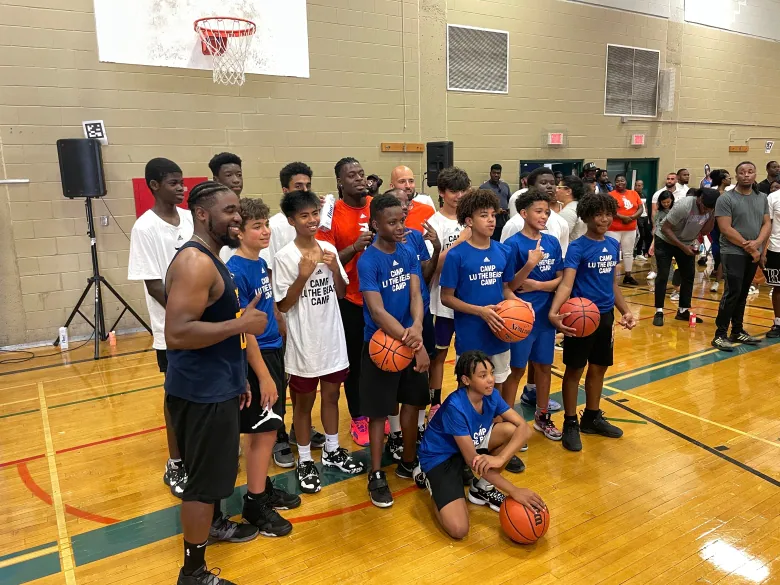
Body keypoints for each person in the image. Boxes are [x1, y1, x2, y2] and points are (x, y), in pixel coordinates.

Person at [165, 181, 265, 585]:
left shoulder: (211, 257)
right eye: (228, 210)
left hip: (217, 384)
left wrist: (237, 374)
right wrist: (241, 324)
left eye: (237, 209)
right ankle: (192, 573)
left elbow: (211, 327)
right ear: (203, 214)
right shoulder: (195, 263)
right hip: (201, 392)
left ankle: (216, 527)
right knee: (202, 488)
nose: (236, 217)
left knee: (213, 478)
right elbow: (178, 332)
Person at [273, 189, 365, 493]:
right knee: (303, 403)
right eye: (304, 216)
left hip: (332, 339)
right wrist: (302, 276)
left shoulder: (328, 248)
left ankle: (331, 449)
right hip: (304, 344)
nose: (312, 220)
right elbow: (283, 306)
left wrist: (332, 267)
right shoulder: (284, 257)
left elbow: (340, 291)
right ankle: (303, 458)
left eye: (314, 213)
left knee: (331, 396)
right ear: (292, 220)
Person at [225, 198, 300, 535]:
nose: (266, 231)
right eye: (257, 226)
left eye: (266, 224)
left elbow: (268, 313)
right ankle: (254, 504)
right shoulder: (236, 269)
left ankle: (261, 486)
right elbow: (245, 331)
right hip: (255, 358)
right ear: (238, 231)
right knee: (264, 431)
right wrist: (263, 375)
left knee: (265, 431)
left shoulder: (258, 262)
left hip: (272, 351)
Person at [417, 351, 545, 539]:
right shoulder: (456, 406)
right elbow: (474, 461)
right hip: (440, 457)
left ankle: (481, 489)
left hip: (469, 447)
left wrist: (500, 458)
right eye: (483, 376)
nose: (491, 380)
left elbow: (525, 429)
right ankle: (433, 484)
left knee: (510, 430)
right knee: (459, 530)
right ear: (466, 380)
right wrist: (514, 491)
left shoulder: (491, 395)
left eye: (491, 373)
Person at [548, 192, 637, 452]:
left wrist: (626, 310)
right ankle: (570, 421)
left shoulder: (612, 244)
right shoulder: (576, 247)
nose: (605, 219)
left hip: (605, 316)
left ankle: (591, 416)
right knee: (574, 371)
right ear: (586, 216)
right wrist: (555, 312)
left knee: (599, 368)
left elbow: (612, 283)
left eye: (609, 213)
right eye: (599, 214)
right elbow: (567, 283)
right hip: (580, 317)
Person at [358, 194, 430, 507]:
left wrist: (417, 329)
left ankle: (408, 461)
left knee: (414, 403)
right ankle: (376, 473)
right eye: (392, 222)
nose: (399, 226)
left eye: (401, 220)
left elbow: (416, 293)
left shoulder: (408, 249)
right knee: (378, 414)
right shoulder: (368, 260)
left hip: (409, 338)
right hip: (381, 346)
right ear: (375, 224)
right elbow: (376, 311)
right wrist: (411, 341)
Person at [128, 157, 194, 497]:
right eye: (173, 183)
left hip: (200, 326)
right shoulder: (145, 228)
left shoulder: (189, 218)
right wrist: (192, 313)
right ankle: (176, 463)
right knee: (176, 399)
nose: (181, 188)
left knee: (201, 395)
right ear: (154, 185)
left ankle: (198, 453)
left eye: (182, 182)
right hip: (172, 332)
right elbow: (155, 286)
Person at [260, 162, 318, 468]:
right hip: (283, 310)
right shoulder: (276, 225)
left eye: (308, 185)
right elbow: (270, 274)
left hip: (309, 313)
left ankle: (299, 429)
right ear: (285, 190)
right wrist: (276, 315)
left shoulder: (313, 223)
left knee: (304, 377)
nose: (305, 191)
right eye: (299, 186)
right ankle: (280, 435)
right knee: (282, 378)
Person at [316, 157, 374, 446]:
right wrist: (354, 247)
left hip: (380, 297)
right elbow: (325, 261)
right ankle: (358, 417)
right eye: (352, 175)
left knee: (382, 359)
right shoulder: (331, 214)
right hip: (349, 299)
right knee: (355, 363)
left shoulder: (377, 205)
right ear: (340, 182)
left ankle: (381, 413)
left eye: (361, 173)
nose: (359, 179)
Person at [382, 187, 441, 459]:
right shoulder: (380, 245)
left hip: (421, 315)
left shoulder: (416, 237)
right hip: (395, 322)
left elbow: (425, 277)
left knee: (420, 373)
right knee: (394, 377)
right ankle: (395, 432)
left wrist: (437, 248)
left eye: (407, 204)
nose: (405, 208)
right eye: (398, 204)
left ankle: (415, 430)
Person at [503, 190, 563, 443]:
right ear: (524, 213)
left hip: (545, 318)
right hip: (520, 317)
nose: (544, 215)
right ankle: (508, 424)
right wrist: (529, 265)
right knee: (515, 370)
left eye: (547, 211)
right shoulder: (513, 245)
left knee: (543, 368)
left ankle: (542, 416)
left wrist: (538, 286)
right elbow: (510, 286)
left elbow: (561, 280)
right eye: (538, 211)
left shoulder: (552, 242)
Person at [440, 190, 514, 391]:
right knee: (468, 389)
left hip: (500, 331)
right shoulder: (456, 256)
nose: (491, 220)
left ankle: (492, 423)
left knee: (495, 386)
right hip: (471, 334)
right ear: (469, 221)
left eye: (492, 215)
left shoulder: (505, 251)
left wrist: (519, 304)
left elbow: (506, 289)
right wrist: (480, 311)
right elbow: (446, 298)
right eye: (484, 215)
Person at [711, 162, 771, 351]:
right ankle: (720, 335)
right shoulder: (726, 199)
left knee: (744, 292)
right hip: (732, 252)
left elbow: (766, 223)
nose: (746, 175)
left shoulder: (762, 198)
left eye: (750, 172)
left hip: (753, 252)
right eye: (742, 172)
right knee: (733, 292)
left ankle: (737, 330)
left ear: (755, 174)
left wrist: (758, 244)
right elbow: (725, 229)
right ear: (736, 176)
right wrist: (751, 248)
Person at [427, 167, 471, 421]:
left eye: (463, 190)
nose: (459, 196)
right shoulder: (434, 223)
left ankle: (464, 400)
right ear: (442, 193)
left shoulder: (471, 217)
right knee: (439, 355)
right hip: (441, 304)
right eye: (453, 191)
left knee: (467, 355)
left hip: (468, 301)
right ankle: (435, 402)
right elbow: (434, 265)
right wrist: (460, 241)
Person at [651, 188, 719, 327]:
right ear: (699, 199)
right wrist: (683, 247)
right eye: (705, 207)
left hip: (686, 242)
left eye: (710, 208)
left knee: (688, 275)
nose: (705, 210)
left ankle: (683, 311)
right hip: (665, 240)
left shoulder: (710, 211)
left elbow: (705, 231)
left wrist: (712, 214)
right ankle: (659, 311)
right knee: (663, 275)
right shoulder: (685, 206)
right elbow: (665, 228)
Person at [503, 167, 570, 255]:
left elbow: (562, 257)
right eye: (543, 183)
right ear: (531, 187)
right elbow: (505, 260)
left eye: (553, 183)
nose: (549, 186)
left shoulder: (561, 223)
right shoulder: (515, 224)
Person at [606, 174, 643, 286]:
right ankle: (609, 276)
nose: (620, 183)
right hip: (613, 229)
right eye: (617, 181)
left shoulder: (633, 193)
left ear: (626, 182)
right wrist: (623, 217)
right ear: (614, 183)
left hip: (630, 228)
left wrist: (631, 218)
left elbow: (640, 208)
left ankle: (628, 275)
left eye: (622, 181)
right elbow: (609, 210)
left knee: (628, 252)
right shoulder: (610, 195)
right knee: (612, 252)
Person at [211, 152, 244, 266]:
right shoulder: (211, 214)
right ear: (216, 179)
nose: (236, 180)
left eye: (239, 175)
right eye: (229, 175)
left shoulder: (250, 209)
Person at [708, 169, 731, 292]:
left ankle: (720, 276)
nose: (730, 179)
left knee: (724, 252)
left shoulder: (730, 194)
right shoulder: (715, 194)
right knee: (717, 249)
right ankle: (717, 271)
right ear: (723, 180)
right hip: (715, 225)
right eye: (728, 178)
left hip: (727, 225)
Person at [763, 183, 780, 337]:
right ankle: (778, 323)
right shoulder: (773, 197)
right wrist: (763, 250)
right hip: (777, 248)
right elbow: (767, 225)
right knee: (778, 288)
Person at [480, 164, 511, 242]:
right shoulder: (484, 188)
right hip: (490, 223)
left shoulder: (505, 186)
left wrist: (509, 210)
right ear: (490, 173)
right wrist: (496, 210)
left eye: (498, 173)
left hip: (504, 222)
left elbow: (509, 201)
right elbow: (480, 206)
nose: (496, 175)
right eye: (494, 173)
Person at [556, 175, 587, 242]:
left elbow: (559, 236)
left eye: (559, 187)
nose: (556, 190)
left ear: (568, 191)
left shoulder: (569, 211)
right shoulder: (579, 206)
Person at [633, 179, 652, 261]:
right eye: (636, 185)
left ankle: (640, 253)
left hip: (645, 217)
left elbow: (645, 206)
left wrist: (647, 217)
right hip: (638, 217)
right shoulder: (633, 194)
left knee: (645, 235)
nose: (638, 187)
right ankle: (635, 253)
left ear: (642, 186)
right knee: (639, 235)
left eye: (639, 185)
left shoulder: (643, 195)